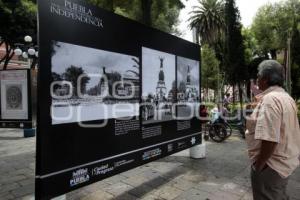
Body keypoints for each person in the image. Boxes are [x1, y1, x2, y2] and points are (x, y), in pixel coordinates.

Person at [245, 60, 300, 200]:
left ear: (265, 79)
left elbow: (270, 139)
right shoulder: (287, 98)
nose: (257, 79)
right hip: (283, 164)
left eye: (258, 75)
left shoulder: (270, 100)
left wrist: (259, 166)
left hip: (270, 167)